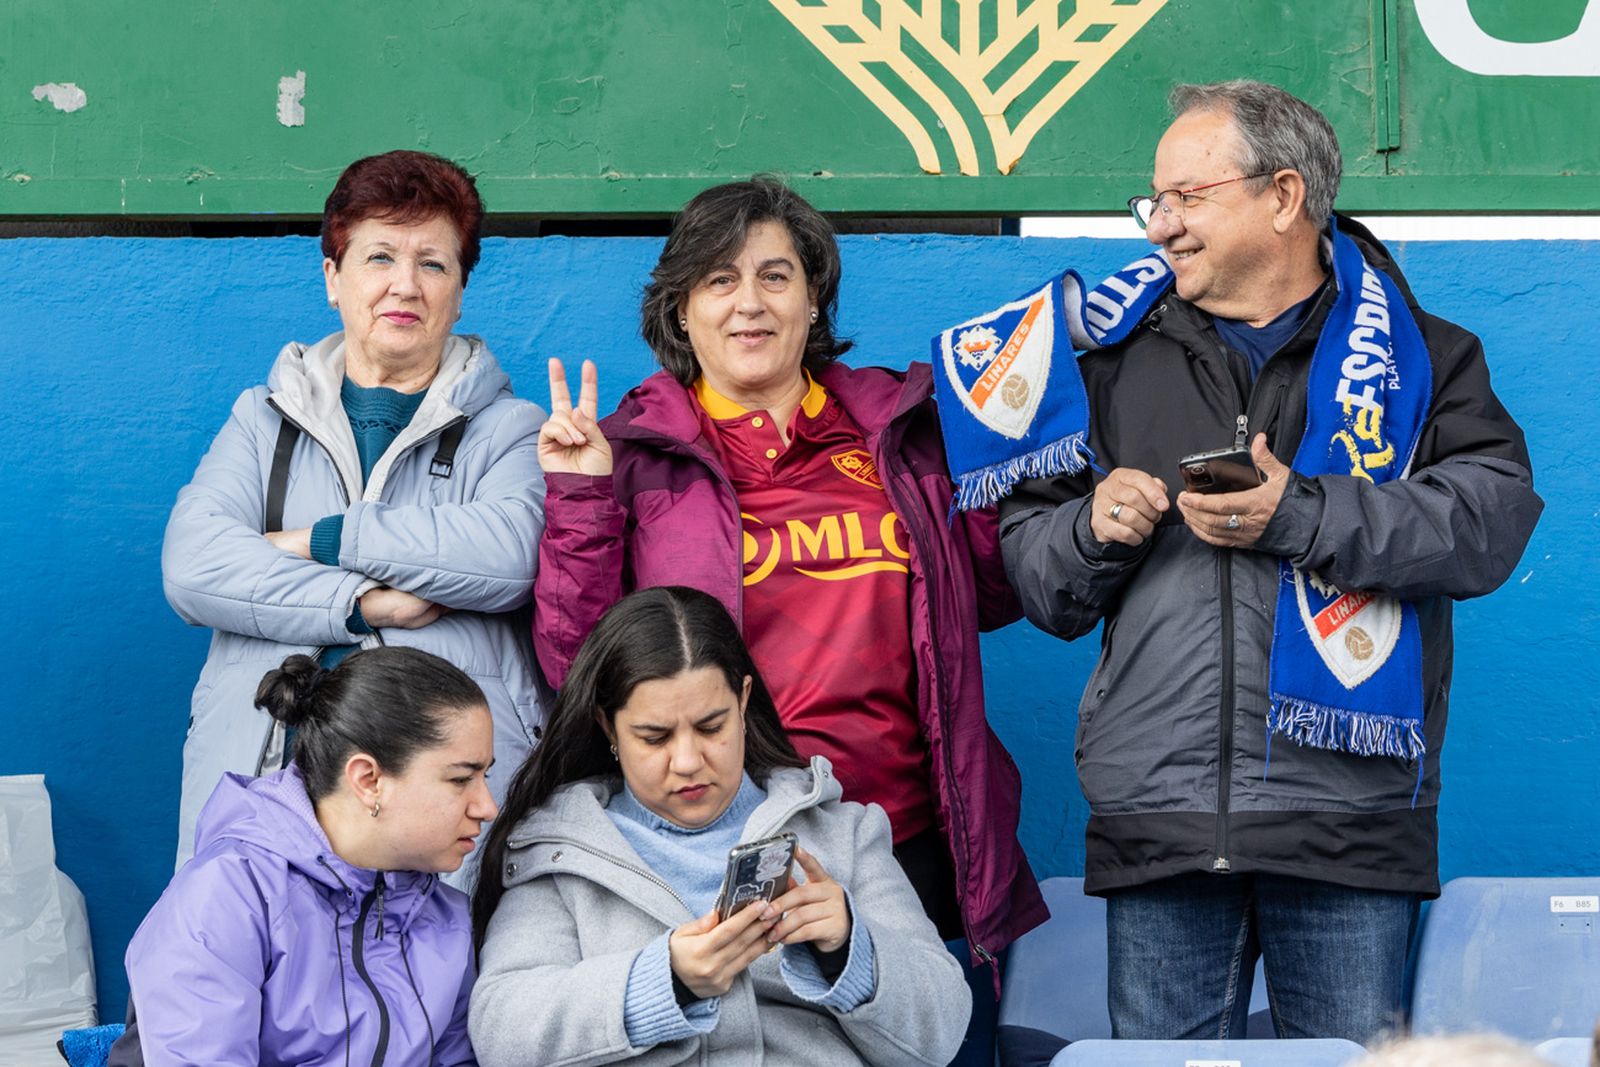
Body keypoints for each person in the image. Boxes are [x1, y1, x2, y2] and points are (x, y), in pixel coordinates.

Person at [995, 81, 1542, 1041]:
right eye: (1152, 201)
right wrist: (1091, 528)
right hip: (1160, 818)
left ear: (1284, 197)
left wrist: (1301, 511)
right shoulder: (1104, 361)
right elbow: (1037, 578)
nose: (1160, 225)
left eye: (1186, 198)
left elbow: (1488, 522)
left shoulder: (1427, 358)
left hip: (1348, 826)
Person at [532, 177, 1046, 975]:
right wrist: (581, 498)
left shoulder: (899, 429)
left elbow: (986, 594)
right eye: (719, 280)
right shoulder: (629, 455)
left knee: (925, 1034)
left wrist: (1009, 459)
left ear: (814, 301)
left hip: (908, 828)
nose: (751, 302)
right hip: (723, 836)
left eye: (775, 276)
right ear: (681, 311)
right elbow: (577, 668)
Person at [162, 149, 546, 866]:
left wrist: (318, 538)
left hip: (442, 796)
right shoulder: (262, 419)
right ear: (333, 278)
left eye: (434, 263)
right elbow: (193, 564)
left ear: (461, 291)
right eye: (378, 257)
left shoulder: (508, 426)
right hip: (268, 768)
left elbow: (508, 553)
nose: (405, 285)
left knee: (440, 972)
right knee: (253, 966)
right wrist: (361, 603)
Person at [470, 586, 969, 1066]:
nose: (687, 761)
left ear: (744, 701)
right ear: (608, 726)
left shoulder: (844, 831)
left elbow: (943, 1029)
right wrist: (665, 981)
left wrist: (849, 950)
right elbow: (503, 1033)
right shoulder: (559, 851)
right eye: (655, 737)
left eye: (711, 727)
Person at [109, 647, 495, 1066]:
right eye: (461, 779)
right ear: (368, 780)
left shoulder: (446, 917)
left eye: (485, 776)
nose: (487, 806)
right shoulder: (228, 895)